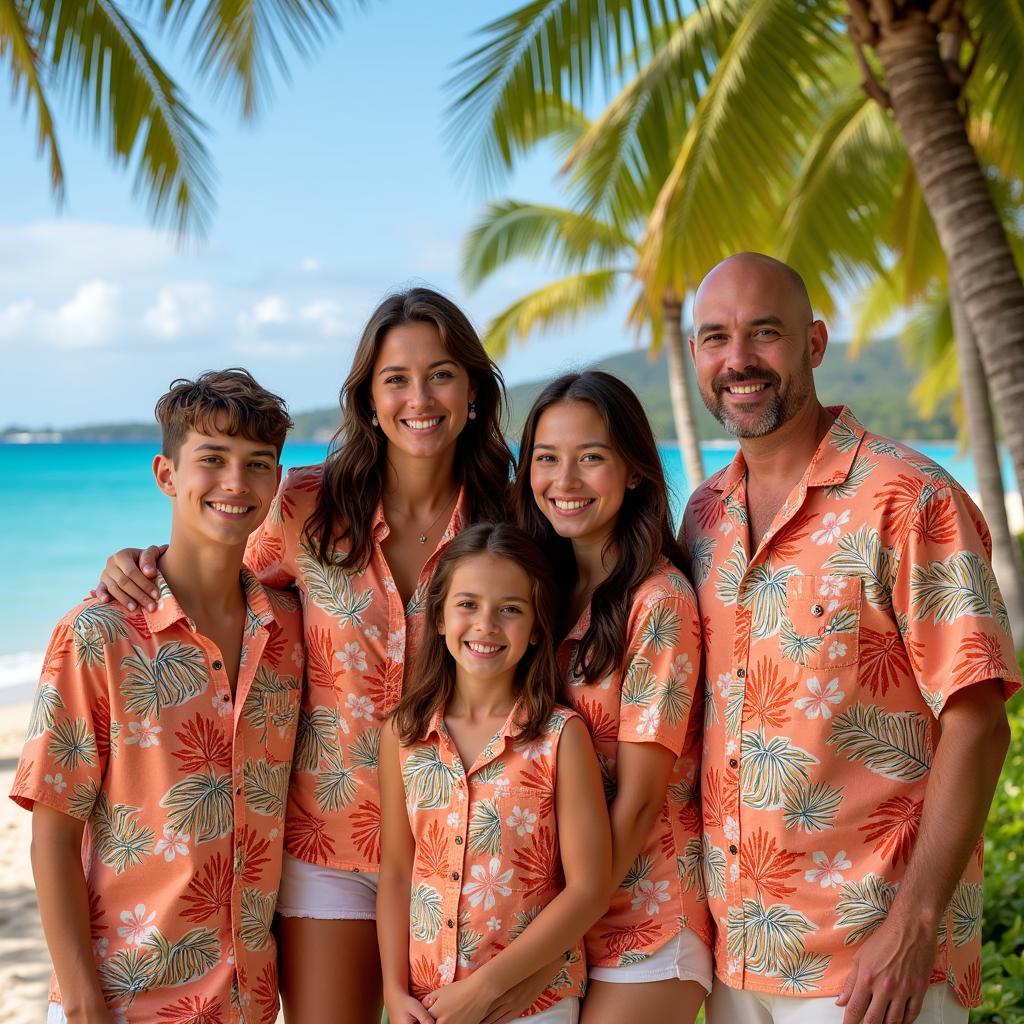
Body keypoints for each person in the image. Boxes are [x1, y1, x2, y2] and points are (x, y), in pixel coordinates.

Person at [93, 288, 515, 1023]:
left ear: (473, 392)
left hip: (473, 846)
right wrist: (140, 561)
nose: (420, 397)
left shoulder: (512, 519)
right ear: (368, 398)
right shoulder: (303, 506)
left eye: (442, 374)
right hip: (329, 844)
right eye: (395, 379)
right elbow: (226, 583)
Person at [679, 252, 1021, 1024]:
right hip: (737, 960)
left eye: (764, 333)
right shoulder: (703, 515)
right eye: (715, 338)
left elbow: (979, 720)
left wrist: (914, 925)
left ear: (814, 343)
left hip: (873, 965)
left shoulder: (907, 496)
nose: (739, 361)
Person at [11, 369, 304, 1023]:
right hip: (123, 1001)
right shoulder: (99, 634)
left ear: (277, 480)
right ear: (166, 475)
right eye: (212, 460)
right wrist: (83, 1002)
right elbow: (52, 835)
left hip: (247, 1004)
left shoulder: (291, 628)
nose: (235, 483)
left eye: (258, 464)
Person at [514, 371, 712, 1024]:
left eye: (590, 457)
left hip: (646, 922)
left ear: (632, 472)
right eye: (547, 458)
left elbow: (641, 799)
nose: (563, 481)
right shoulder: (539, 587)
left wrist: (548, 938)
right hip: (549, 916)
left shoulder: (659, 600)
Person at [378, 522, 611, 1024]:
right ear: (439, 617)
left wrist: (488, 987)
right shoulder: (404, 734)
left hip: (528, 1005)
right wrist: (394, 992)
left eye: (510, 609)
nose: (486, 624)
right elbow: (397, 872)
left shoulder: (560, 738)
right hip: (426, 1004)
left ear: (535, 630)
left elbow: (588, 888)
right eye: (467, 604)